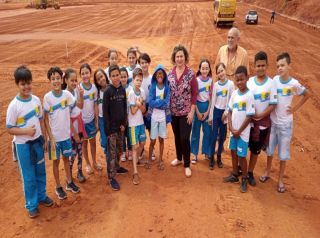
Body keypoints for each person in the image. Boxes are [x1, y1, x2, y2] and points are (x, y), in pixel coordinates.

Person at [6, 66, 53, 218]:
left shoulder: (36, 100)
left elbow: (40, 120)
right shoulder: (14, 106)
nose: (26, 86)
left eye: (28, 83)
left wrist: (44, 138)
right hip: (23, 147)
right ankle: (31, 204)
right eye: (22, 84)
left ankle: (42, 196)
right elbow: (10, 128)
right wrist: (26, 132)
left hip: (38, 143)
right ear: (17, 85)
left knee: (40, 172)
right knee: (29, 176)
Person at [260, 52, 310, 193]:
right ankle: (267, 172)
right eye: (278, 66)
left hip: (286, 125)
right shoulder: (275, 80)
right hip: (273, 122)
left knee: (283, 153)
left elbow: (306, 94)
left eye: (282, 65)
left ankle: (281, 179)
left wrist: (294, 108)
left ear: (289, 66)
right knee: (269, 150)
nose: (280, 68)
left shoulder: (294, 84)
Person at [44, 66, 80, 200]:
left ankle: (69, 182)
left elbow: (72, 112)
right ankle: (58, 186)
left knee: (66, 159)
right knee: (55, 162)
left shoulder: (67, 95)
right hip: (54, 139)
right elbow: (46, 120)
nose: (56, 81)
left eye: (58, 78)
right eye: (53, 79)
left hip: (66, 137)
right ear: (49, 81)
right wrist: (50, 137)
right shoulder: (47, 98)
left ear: (62, 79)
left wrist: (74, 132)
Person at [246, 51, 277, 186]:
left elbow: (273, 105)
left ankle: (250, 172)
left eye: (263, 65)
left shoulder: (271, 84)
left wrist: (260, 115)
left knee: (255, 150)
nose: (260, 68)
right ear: (254, 66)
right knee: (244, 146)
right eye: (258, 66)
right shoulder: (250, 82)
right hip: (248, 123)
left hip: (262, 124)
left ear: (267, 65)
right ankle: (241, 168)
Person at [223, 66, 255, 193]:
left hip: (242, 134)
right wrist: (230, 127)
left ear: (247, 78)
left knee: (242, 156)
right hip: (233, 131)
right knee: (233, 153)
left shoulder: (249, 96)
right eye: (237, 80)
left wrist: (239, 131)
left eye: (242, 79)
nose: (240, 82)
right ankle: (235, 174)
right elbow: (230, 111)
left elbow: (249, 116)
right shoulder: (235, 94)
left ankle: (245, 178)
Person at [168, 44, 198, 178]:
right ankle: (179, 158)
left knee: (185, 138)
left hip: (186, 112)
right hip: (173, 112)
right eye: (177, 56)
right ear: (174, 58)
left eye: (181, 56)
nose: (179, 58)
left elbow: (195, 94)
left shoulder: (191, 74)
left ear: (185, 58)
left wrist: (192, 112)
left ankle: (187, 164)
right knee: (177, 137)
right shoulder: (170, 74)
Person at [103, 65, 128, 191]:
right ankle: (111, 176)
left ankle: (117, 167)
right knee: (111, 153)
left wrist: (124, 123)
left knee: (119, 149)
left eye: (117, 75)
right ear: (110, 77)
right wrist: (107, 130)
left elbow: (124, 108)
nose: (116, 77)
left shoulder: (123, 90)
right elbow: (105, 112)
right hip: (111, 129)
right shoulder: (108, 92)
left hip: (121, 127)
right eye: (113, 75)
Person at [208, 63, 235, 169]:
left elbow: (231, 100)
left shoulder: (231, 84)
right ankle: (211, 158)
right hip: (216, 112)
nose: (221, 73)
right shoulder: (216, 85)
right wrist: (211, 117)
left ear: (225, 70)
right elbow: (213, 101)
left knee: (222, 137)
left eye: (222, 70)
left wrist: (226, 113)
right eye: (218, 72)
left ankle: (219, 157)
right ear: (217, 74)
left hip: (225, 113)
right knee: (213, 136)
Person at [62, 68, 86, 183]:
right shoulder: (64, 95)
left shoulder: (76, 91)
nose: (74, 83)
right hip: (71, 128)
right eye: (72, 80)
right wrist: (75, 133)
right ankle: (69, 173)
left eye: (75, 80)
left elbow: (81, 106)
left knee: (80, 151)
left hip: (79, 124)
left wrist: (81, 95)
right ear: (66, 80)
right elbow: (66, 117)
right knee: (72, 152)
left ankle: (80, 171)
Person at [146, 64, 171, 170]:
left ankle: (160, 160)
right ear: (155, 75)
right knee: (152, 140)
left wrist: (157, 102)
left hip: (163, 118)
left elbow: (167, 103)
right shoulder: (152, 87)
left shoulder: (167, 88)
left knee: (161, 139)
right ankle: (148, 160)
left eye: (162, 73)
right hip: (154, 117)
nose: (160, 75)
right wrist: (160, 103)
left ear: (164, 75)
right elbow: (150, 102)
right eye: (158, 73)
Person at [79, 63, 101, 175]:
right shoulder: (79, 88)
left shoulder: (94, 88)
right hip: (82, 123)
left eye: (86, 73)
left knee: (93, 143)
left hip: (91, 121)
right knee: (84, 144)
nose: (85, 75)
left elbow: (96, 105)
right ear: (80, 75)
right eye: (82, 74)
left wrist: (96, 120)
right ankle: (87, 164)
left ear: (90, 73)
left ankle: (94, 162)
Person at [190, 59, 213, 166]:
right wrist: (198, 112)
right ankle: (194, 153)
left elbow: (210, 97)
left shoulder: (211, 80)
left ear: (209, 69)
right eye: (203, 68)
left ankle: (206, 152)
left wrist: (208, 111)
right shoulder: (196, 80)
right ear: (200, 69)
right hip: (197, 107)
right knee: (195, 131)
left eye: (206, 68)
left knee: (207, 131)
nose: (204, 70)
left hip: (207, 107)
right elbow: (193, 97)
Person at [128, 68, 147, 185]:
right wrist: (138, 104)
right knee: (135, 147)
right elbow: (133, 111)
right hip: (133, 125)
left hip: (141, 123)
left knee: (143, 143)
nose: (139, 82)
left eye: (140, 80)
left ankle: (137, 159)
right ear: (133, 80)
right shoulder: (131, 93)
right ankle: (135, 172)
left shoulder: (143, 92)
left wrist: (140, 105)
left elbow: (144, 110)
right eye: (137, 80)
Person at [138, 53, 155, 160]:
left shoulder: (152, 78)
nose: (144, 65)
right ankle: (141, 149)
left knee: (151, 129)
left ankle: (152, 149)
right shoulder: (137, 78)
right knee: (141, 129)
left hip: (150, 107)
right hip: (140, 106)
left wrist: (149, 109)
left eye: (145, 62)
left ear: (149, 63)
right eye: (141, 63)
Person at [94, 68, 110, 160]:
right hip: (101, 119)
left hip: (111, 119)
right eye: (98, 79)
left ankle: (110, 161)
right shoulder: (97, 91)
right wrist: (96, 121)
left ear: (105, 76)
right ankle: (103, 143)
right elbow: (96, 106)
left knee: (111, 141)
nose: (101, 79)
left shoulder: (111, 88)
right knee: (104, 142)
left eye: (101, 76)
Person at [119, 67, 133, 162]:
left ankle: (130, 151)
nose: (123, 79)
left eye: (125, 77)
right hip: (121, 118)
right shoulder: (118, 89)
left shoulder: (131, 88)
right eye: (122, 77)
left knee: (129, 135)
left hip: (130, 117)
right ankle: (123, 151)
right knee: (122, 135)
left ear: (127, 77)